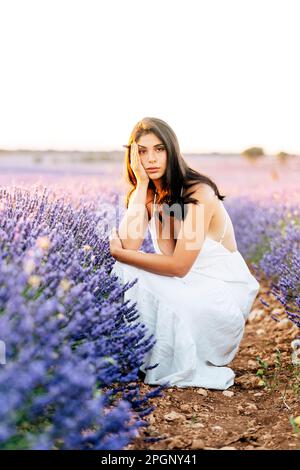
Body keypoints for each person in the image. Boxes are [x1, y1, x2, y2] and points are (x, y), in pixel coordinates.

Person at [109, 117, 260, 390]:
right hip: (185, 287)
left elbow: (178, 266)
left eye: (159, 149)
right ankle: (134, 356)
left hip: (218, 299)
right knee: (123, 271)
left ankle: (157, 357)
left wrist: (120, 254)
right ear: (132, 157)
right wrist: (141, 185)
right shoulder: (150, 194)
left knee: (125, 266)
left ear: (172, 150)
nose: (151, 158)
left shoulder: (198, 193)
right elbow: (129, 246)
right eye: (142, 151)